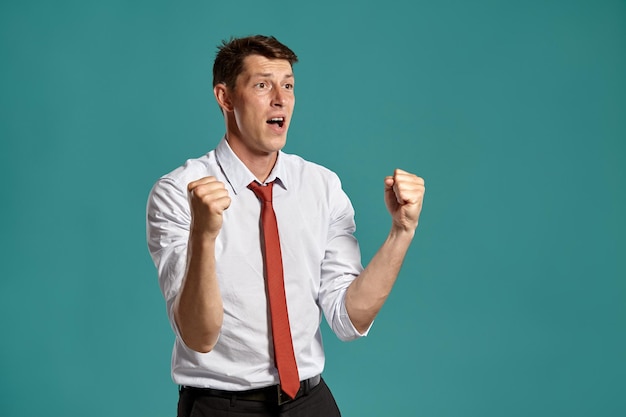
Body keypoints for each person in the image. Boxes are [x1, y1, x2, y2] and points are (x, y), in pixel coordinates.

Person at [146, 34, 425, 417]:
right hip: (221, 407)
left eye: (289, 85)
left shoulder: (322, 186)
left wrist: (401, 232)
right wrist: (204, 234)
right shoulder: (178, 191)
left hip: (311, 402)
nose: (281, 98)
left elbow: (349, 318)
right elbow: (198, 336)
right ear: (225, 98)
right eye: (262, 85)